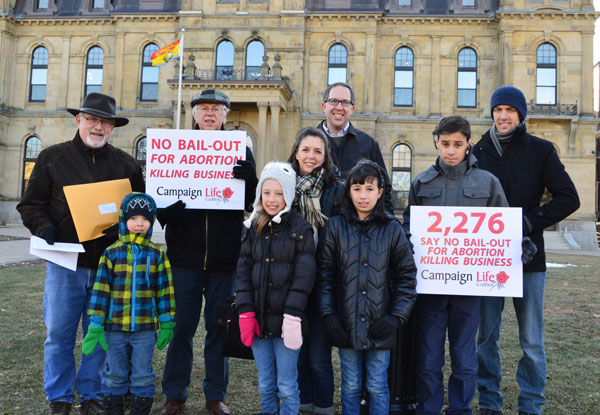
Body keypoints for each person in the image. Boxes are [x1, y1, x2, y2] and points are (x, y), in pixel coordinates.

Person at [17, 92, 145, 415]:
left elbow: (141, 212)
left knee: (99, 335)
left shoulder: (127, 166)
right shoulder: (52, 158)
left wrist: (127, 228)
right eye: (92, 119)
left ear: (113, 127)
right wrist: (44, 229)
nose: (98, 126)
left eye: (105, 121)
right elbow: (30, 206)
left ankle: (92, 395)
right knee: (58, 334)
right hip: (65, 264)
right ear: (79, 120)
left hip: (108, 268)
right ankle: (59, 397)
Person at [473, 86, 580, 415]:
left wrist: (529, 223)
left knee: (531, 340)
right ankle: (489, 403)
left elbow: (569, 198)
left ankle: (531, 405)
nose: (503, 116)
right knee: (484, 339)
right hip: (487, 261)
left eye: (510, 110)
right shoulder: (476, 151)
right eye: (498, 109)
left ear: (520, 115)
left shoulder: (541, 151)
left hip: (528, 259)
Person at [158, 89, 258, 415]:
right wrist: (167, 212)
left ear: (226, 114)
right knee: (180, 329)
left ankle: (216, 395)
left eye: (217, 108)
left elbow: (251, 206)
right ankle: (175, 394)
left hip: (224, 259)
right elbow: (160, 200)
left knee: (219, 330)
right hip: (184, 258)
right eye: (204, 108)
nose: (210, 113)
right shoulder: (175, 148)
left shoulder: (239, 150)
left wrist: (250, 181)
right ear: (195, 114)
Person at [402, 116, 508, 415]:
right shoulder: (421, 183)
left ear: (468, 144)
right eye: (445, 144)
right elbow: (410, 229)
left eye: (457, 144)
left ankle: (461, 409)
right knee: (429, 356)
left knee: (464, 356)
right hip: (431, 288)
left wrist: (518, 245)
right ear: (436, 141)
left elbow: (503, 228)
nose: (451, 150)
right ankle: (429, 408)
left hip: (468, 290)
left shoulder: (488, 182)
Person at [317, 160, 417, 414]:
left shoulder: (392, 229)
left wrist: (395, 318)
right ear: (348, 191)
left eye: (370, 189)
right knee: (350, 384)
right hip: (347, 324)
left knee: (377, 384)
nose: (363, 195)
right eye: (357, 188)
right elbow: (325, 276)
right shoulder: (336, 227)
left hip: (380, 325)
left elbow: (406, 277)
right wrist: (330, 317)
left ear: (380, 192)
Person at [82, 192, 175, 415]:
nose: (139, 223)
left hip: (145, 330)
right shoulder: (111, 253)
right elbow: (101, 289)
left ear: (151, 222)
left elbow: (164, 291)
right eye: (133, 219)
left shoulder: (157, 255)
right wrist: (96, 323)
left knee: (143, 375)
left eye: (144, 219)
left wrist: (167, 322)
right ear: (124, 221)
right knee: (114, 374)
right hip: (114, 328)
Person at [235, 161, 316, 415]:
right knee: (266, 382)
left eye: (279, 193)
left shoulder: (300, 229)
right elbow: (243, 272)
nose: (272, 199)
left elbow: (304, 276)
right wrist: (245, 310)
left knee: (287, 384)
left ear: (288, 195)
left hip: (286, 322)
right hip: (258, 319)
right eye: (267, 192)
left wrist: (293, 315)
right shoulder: (252, 228)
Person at [286, 127, 345, 415]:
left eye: (317, 151)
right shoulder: (282, 185)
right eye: (306, 149)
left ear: (326, 156)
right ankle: (302, 404)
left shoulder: (337, 189)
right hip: (290, 282)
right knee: (296, 351)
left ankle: (323, 407)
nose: (311, 156)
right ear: (296, 152)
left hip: (324, 282)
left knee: (319, 356)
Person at [317, 82, 394, 213]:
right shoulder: (308, 143)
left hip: (357, 228)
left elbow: (384, 189)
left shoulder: (368, 144)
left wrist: (389, 226)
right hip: (317, 228)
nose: (339, 107)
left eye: (345, 102)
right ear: (324, 106)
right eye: (334, 101)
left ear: (352, 109)